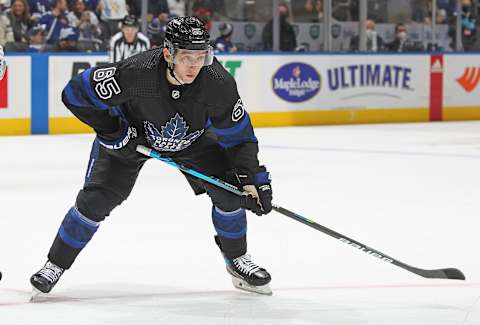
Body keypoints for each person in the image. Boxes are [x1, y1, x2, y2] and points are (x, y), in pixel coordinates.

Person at [30, 16, 274, 297]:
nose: (195, 65)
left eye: (201, 56)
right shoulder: (138, 72)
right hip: (133, 138)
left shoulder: (218, 83)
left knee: (230, 194)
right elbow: (74, 93)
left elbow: (240, 137)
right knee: (95, 199)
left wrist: (254, 178)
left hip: (192, 141)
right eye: (186, 57)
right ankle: (54, 264)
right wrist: (112, 131)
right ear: (168, 53)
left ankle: (237, 260)